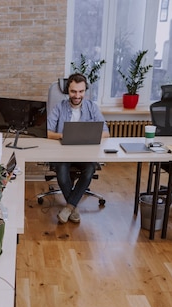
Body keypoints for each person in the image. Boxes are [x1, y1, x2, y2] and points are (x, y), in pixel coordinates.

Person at [47, 73, 110, 224]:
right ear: (68, 91)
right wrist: (63, 135)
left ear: (85, 91)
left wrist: (88, 135)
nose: (77, 95)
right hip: (63, 153)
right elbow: (47, 132)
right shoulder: (59, 107)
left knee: (89, 170)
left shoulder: (92, 107)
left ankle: (68, 208)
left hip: (84, 154)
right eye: (73, 91)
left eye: (81, 91)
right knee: (62, 174)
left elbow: (107, 133)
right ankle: (73, 208)